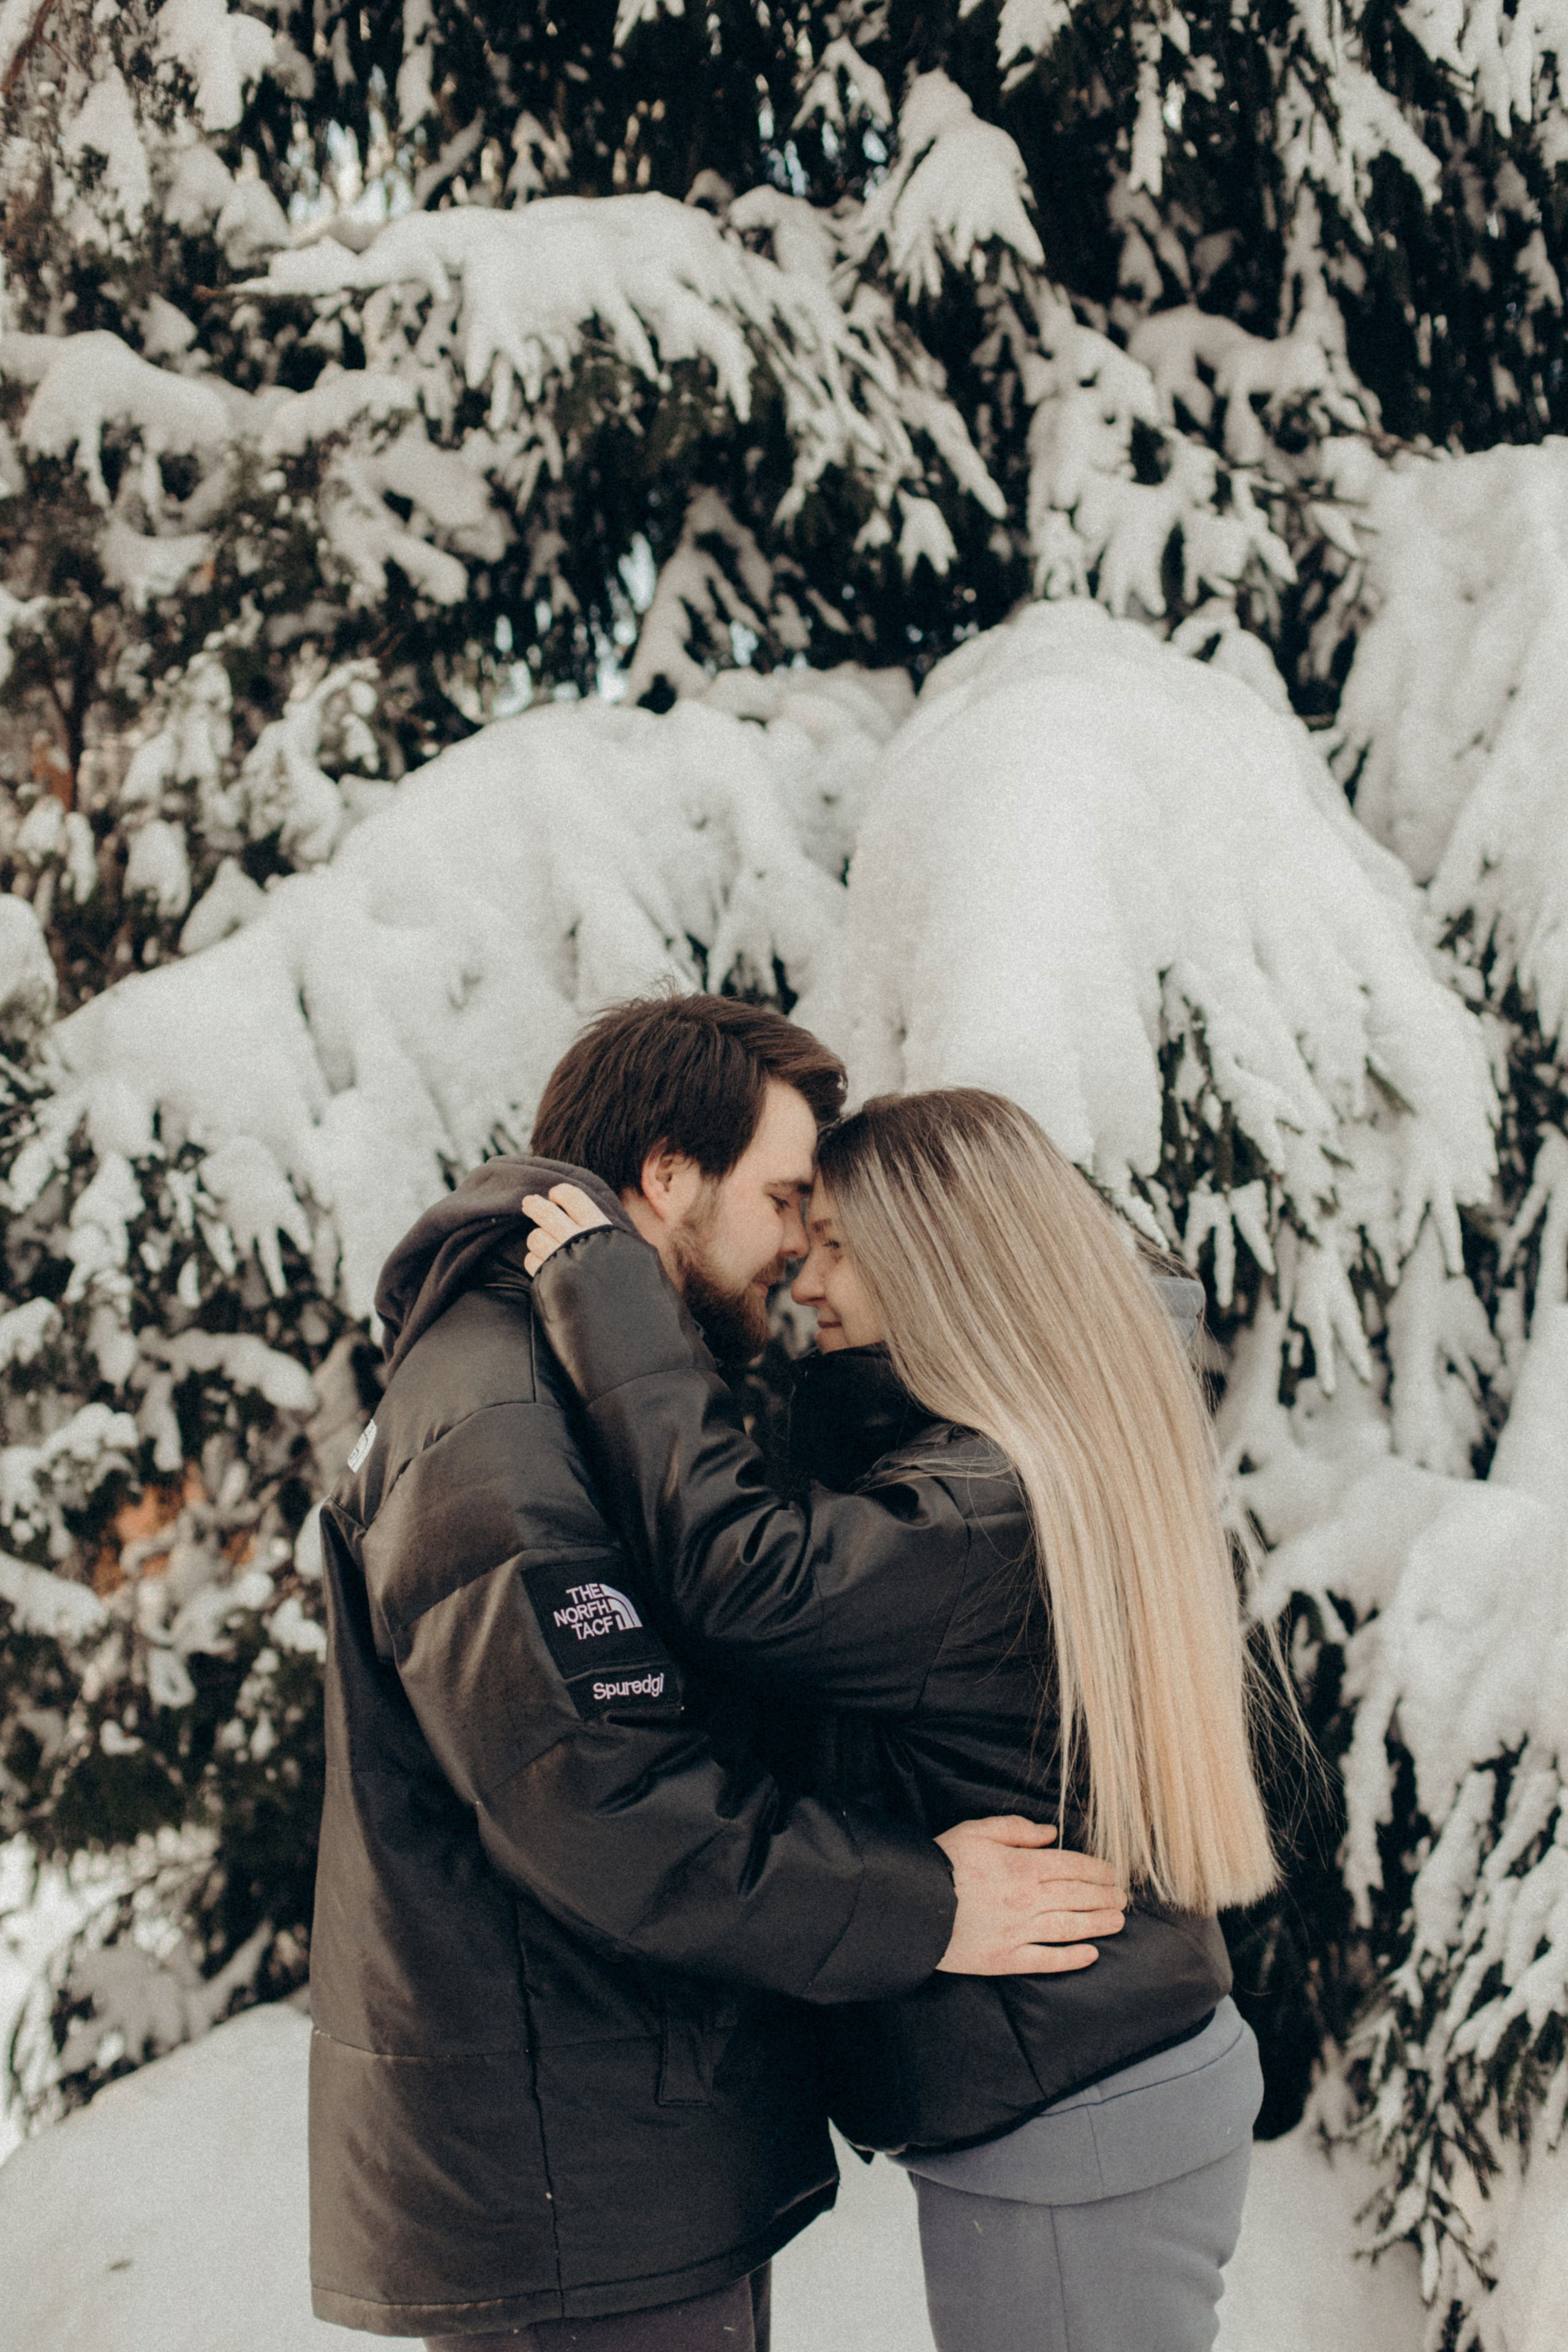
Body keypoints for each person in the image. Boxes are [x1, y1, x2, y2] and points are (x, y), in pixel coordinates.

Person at [309, 1001, 1125, 2351]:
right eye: (785, 1197)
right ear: (669, 1178)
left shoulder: (571, 1378)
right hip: (574, 2197)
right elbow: (599, 1802)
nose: (803, 1245)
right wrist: (924, 1906)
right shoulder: (498, 1413)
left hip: (618, 2152)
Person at [523, 1085, 1281, 2352]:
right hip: (1094, 2078)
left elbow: (749, 1580)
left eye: (830, 1242)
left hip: (1072, 2114)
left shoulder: (986, 1502)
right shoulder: (1020, 1449)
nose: (801, 1279)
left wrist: (617, 1306)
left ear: (933, 1259)